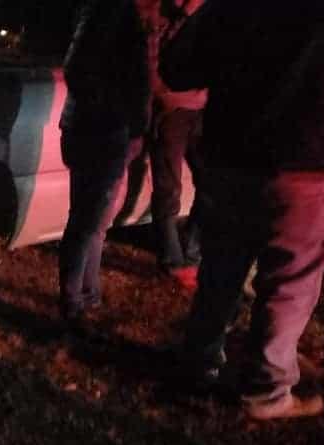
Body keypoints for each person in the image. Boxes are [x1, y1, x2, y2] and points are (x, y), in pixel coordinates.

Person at [162, 0, 324, 419]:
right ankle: (266, 391)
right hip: (308, 164)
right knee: (290, 283)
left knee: (221, 271)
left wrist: (188, 19)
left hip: (231, 159)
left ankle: (198, 363)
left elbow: (177, 69)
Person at [58, 0, 151, 322]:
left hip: (79, 126)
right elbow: (139, 79)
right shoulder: (121, 16)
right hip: (105, 130)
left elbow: (74, 69)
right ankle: (73, 302)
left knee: (88, 220)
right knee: (89, 223)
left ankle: (87, 292)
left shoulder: (87, 12)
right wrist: (136, 127)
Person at [140, 0, 207, 288]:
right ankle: (173, 260)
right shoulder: (159, 13)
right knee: (168, 187)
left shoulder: (207, 15)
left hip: (201, 109)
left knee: (211, 184)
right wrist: (165, 96)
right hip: (171, 112)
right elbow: (148, 61)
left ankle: (191, 253)